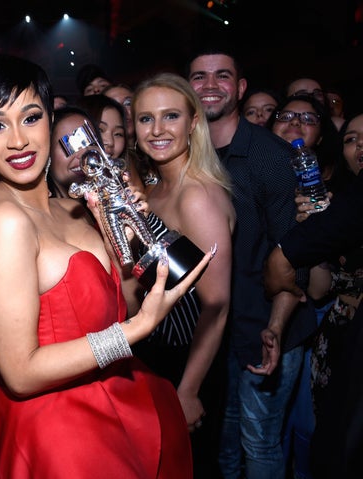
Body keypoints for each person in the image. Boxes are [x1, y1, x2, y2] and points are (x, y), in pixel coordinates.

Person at [0, 53, 214, 478]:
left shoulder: (71, 208)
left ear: (50, 117)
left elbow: (123, 306)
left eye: (31, 117)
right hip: (57, 436)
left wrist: (120, 239)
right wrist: (135, 332)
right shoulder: (4, 222)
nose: (18, 141)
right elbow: (20, 372)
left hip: (120, 401)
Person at [187, 47, 318, 479]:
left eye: (221, 76)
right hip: (216, 331)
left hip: (266, 326)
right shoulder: (183, 157)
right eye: (199, 77)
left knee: (260, 445)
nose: (209, 86)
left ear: (239, 88)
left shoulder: (269, 157)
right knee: (222, 447)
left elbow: (294, 253)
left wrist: (276, 328)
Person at [131, 72, 235, 477]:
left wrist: (189, 389)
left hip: (189, 362)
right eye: (145, 119)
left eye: (170, 116)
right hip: (155, 354)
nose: (157, 130)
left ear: (193, 123)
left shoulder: (198, 196)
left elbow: (217, 306)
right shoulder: (157, 187)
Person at [264, 159, 363, 479]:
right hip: (333, 332)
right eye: (352, 138)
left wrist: (293, 249)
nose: (361, 146)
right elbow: (318, 288)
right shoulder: (338, 204)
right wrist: (314, 231)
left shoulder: (345, 207)